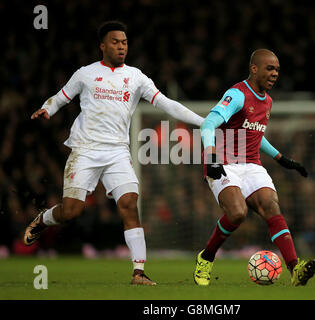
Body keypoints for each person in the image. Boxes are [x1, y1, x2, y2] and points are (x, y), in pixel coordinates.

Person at [24, 20, 204, 286]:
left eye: (125, 42)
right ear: (102, 45)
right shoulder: (85, 73)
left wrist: (203, 122)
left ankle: (139, 273)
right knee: (72, 211)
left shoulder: (136, 77)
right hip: (85, 149)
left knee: (130, 203)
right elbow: (61, 96)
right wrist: (47, 108)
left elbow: (167, 104)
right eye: (116, 42)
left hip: (117, 151)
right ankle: (44, 218)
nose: (121, 46)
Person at [194, 49, 315, 286]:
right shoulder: (237, 94)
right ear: (254, 69)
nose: (274, 74)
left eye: (277, 70)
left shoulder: (268, 101)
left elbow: (255, 134)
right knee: (238, 213)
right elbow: (208, 123)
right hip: (224, 162)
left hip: (252, 164)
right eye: (269, 68)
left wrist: (281, 158)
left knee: (271, 206)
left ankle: (295, 268)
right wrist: (210, 158)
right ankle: (206, 257)